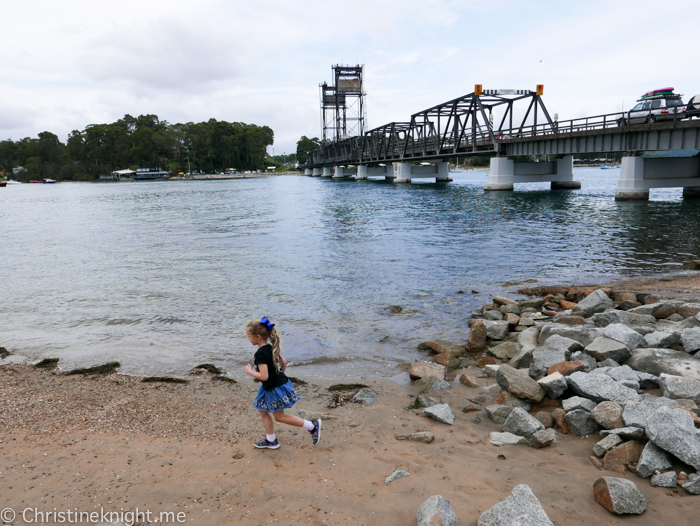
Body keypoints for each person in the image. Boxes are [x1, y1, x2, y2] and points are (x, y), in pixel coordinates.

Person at [245, 317, 321, 449]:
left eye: (248, 336)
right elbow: (284, 363)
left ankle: (312, 426)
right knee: (262, 410)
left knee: (279, 417)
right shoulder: (270, 347)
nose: (248, 338)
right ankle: (271, 439)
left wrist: (250, 371)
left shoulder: (260, 354)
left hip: (273, 388)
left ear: (257, 336)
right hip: (278, 384)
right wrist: (279, 377)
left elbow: (264, 376)